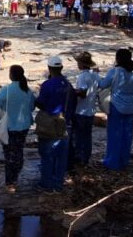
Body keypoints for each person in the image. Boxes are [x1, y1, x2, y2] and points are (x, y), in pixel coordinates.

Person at [0, 65, 36, 193]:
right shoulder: (27, 90)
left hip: (9, 127)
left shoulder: (6, 90)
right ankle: (14, 179)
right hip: (24, 126)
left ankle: (10, 183)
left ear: (11, 75)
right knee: (19, 152)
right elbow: (32, 107)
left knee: (9, 155)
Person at [34, 56, 75, 192]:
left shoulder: (47, 85)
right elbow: (73, 103)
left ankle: (46, 184)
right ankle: (58, 184)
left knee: (47, 155)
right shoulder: (68, 85)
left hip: (49, 123)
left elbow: (41, 102)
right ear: (61, 68)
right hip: (65, 123)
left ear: (49, 68)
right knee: (61, 156)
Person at [98, 49, 133, 170]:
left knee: (114, 135)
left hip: (116, 105)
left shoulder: (115, 71)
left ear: (117, 58)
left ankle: (112, 162)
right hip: (131, 106)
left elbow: (103, 85)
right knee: (127, 135)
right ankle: (124, 160)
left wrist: (97, 76)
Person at [71, 52, 101, 167]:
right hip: (91, 110)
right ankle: (86, 158)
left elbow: (83, 92)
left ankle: (79, 158)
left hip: (81, 110)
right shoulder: (95, 75)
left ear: (81, 64)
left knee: (79, 136)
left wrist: (71, 91)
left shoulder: (82, 76)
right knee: (87, 136)